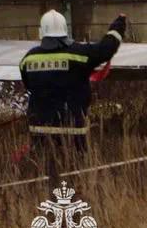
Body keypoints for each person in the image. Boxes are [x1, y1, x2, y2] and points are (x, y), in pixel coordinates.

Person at [19, 10, 125, 157]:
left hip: (39, 128)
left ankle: (51, 181)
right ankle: (67, 181)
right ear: (65, 31)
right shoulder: (80, 53)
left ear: (41, 32)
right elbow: (105, 49)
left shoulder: (28, 58)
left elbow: (29, 85)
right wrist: (118, 26)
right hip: (72, 128)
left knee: (44, 169)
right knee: (72, 171)